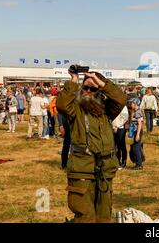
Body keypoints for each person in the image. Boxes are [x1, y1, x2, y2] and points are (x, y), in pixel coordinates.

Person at [56, 69, 126, 223]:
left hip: (105, 168)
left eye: (93, 89)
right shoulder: (74, 108)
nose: (88, 91)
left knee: (103, 216)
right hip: (82, 168)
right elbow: (61, 105)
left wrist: (101, 82)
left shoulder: (107, 110)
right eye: (85, 88)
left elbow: (121, 99)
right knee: (85, 216)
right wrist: (74, 80)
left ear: (99, 91)